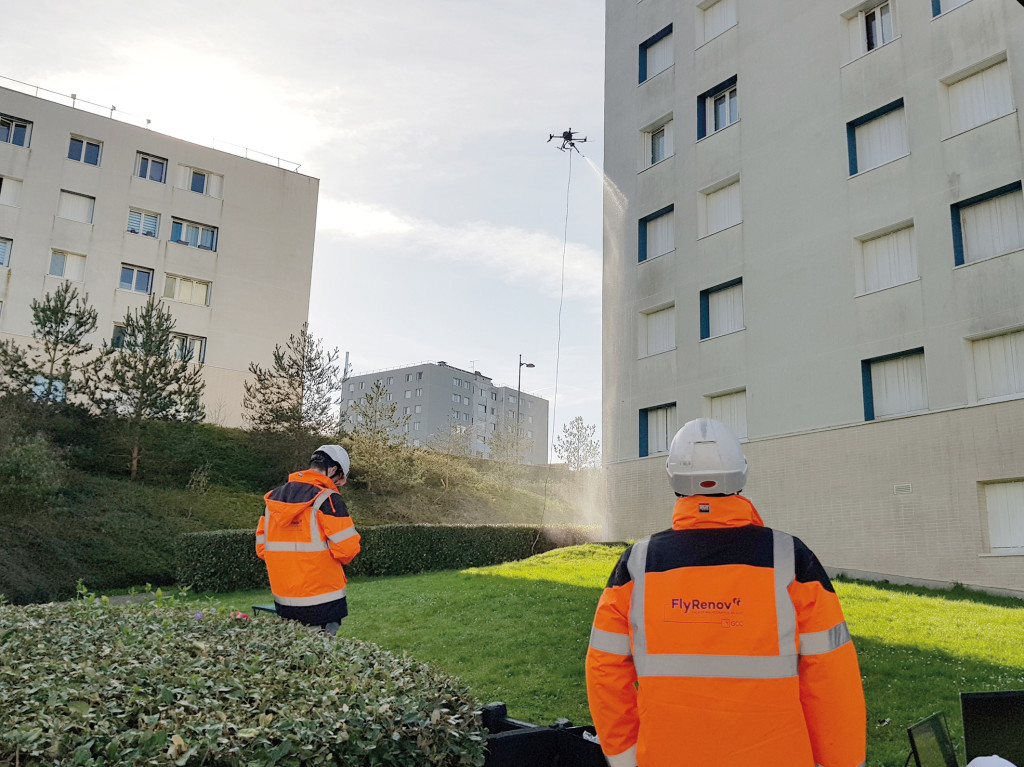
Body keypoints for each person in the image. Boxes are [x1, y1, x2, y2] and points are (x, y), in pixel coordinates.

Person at [585, 419, 866, 767]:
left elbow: (604, 670)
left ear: (674, 480)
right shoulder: (790, 559)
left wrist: (625, 759)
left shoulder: (637, 565)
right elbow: (832, 678)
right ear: (740, 476)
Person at [256, 445, 361, 636]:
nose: (338, 485)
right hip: (323, 603)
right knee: (320, 660)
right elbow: (348, 550)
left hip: (284, 601)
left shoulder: (273, 500)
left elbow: (262, 549)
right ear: (333, 470)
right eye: (340, 479)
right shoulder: (328, 500)